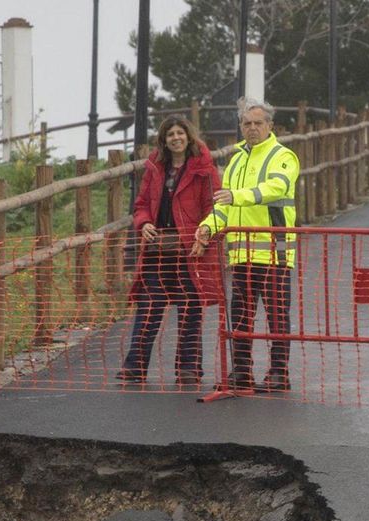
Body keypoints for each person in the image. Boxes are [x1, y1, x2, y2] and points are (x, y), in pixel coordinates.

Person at [195, 97, 300, 392]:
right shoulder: (237, 159)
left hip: (273, 254)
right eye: (246, 123)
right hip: (241, 255)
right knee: (241, 317)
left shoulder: (283, 155)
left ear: (270, 126)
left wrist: (237, 197)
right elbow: (224, 207)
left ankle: (279, 373)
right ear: (241, 127)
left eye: (258, 123)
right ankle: (242, 372)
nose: (252, 128)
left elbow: (276, 187)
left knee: (277, 317)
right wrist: (207, 227)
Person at [117, 116, 221, 388]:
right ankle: (134, 367)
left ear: (188, 136)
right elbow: (140, 205)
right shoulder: (155, 168)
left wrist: (205, 233)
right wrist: (144, 223)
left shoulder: (205, 169)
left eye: (180, 133)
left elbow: (214, 207)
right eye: (170, 134)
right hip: (157, 250)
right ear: (163, 140)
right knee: (148, 308)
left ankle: (188, 368)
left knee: (190, 310)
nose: (176, 138)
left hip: (190, 249)